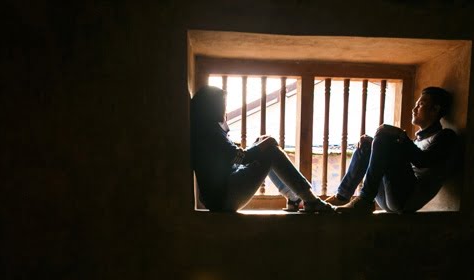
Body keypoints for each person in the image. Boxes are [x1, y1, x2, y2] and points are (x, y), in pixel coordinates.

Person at [190, 85, 334, 213]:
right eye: (223, 105)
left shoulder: (205, 129)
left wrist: (260, 144)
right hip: (224, 197)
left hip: (221, 194)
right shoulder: (209, 132)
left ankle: (294, 199)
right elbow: (241, 158)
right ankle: (309, 200)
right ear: (214, 107)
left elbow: (233, 157)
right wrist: (265, 145)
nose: (225, 109)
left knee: (263, 144)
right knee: (270, 150)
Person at [333, 86, 460, 214]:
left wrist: (399, 135)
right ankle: (342, 197)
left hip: (406, 199)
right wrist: (373, 144)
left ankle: (365, 200)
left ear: (435, 109)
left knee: (384, 136)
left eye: (420, 105)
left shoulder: (445, 136)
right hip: (388, 196)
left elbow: (423, 161)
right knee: (368, 144)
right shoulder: (417, 140)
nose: (414, 109)